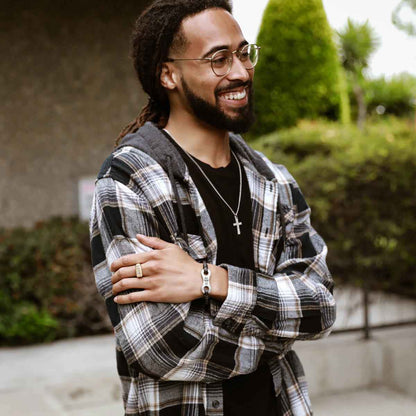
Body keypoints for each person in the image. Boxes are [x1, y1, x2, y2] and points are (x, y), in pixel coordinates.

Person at [89, 1, 336, 415]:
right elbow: (161, 347)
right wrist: (278, 323)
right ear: (168, 74)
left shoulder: (274, 181)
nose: (240, 72)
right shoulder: (130, 180)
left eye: (243, 53)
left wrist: (212, 281)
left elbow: (321, 307)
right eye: (218, 59)